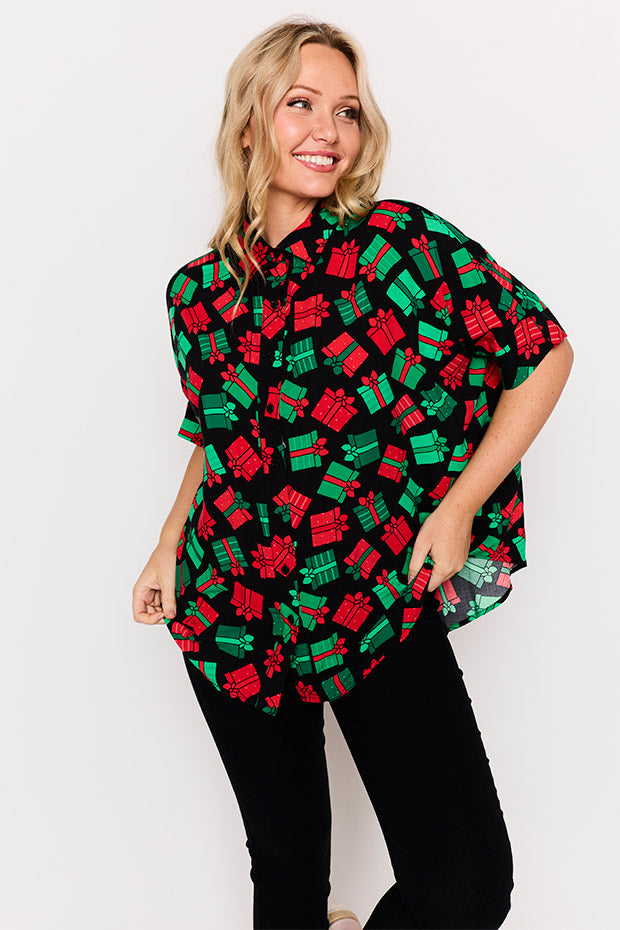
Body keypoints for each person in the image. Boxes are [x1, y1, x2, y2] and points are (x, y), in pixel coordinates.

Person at [132, 16, 573, 930]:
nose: (328, 131)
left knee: (464, 886)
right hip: (232, 602)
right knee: (287, 878)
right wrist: (169, 542)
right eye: (301, 104)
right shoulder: (194, 294)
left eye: (347, 111)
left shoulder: (398, 244)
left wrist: (458, 510)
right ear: (249, 122)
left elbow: (542, 352)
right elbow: (219, 432)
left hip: (372, 592)